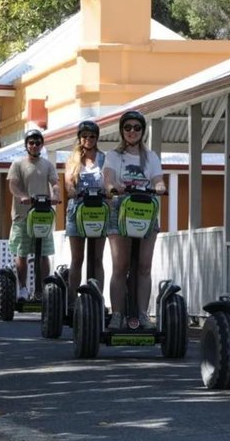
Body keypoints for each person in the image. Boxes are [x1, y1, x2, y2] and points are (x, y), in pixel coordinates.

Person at [103, 111, 166, 330]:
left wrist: (159, 187)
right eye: (127, 127)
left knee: (144, 266)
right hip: (120, 210)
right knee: (120, 266)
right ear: (122, 131)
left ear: (143, 131)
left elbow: (158, 180)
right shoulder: (113, 155)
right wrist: (112, 187)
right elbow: (108, 178)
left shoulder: (151, 157)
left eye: (136, 128)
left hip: (145, 212)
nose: (132, 131)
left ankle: (142, 314)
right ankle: (118, 314)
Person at [8, 130, 60, 300]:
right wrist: (22, 196)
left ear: (42, 145)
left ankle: (43, 290)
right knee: (21, 253)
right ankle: (22, 288)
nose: (34, 145)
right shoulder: (18, 164)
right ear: (26, 145)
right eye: (31, 142)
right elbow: (13, 186)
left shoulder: (47, 165)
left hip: (42, 215)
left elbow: (55, 183)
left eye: (38, 143)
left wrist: (56, 194)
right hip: (22, 216)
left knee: (44, 254)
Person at [63, 120, 106, 312]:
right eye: (85, 136)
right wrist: (72, 191)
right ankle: (72, 301)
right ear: (80, 138)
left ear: (97, 138)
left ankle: (97, 298)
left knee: (97, 258)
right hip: (77, 211)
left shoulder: (104, 158)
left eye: (92, 136)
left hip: (98, 210)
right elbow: (68, 184)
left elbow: (110, 180)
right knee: (77, 258)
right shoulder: (73, 159)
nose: (88, 139)